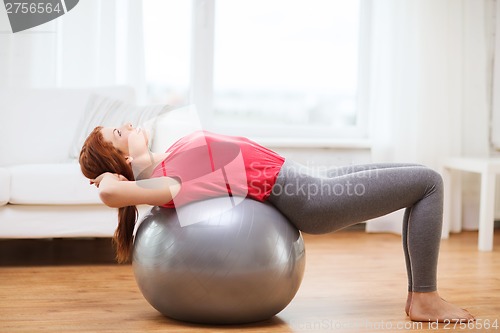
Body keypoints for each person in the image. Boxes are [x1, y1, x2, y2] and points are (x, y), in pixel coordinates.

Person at [79, 122, 475, 323]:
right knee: (429, 183)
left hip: (308, 179)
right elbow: (112, 194)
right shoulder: (167, 180)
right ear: (124, 161)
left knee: (420, 174)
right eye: (119, 132)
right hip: (311, 198)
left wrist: (127, 164)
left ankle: (420, 296)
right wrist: (109, 179)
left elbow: (135, 175)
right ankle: (424, 297)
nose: (130, 125)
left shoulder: (164, 158)